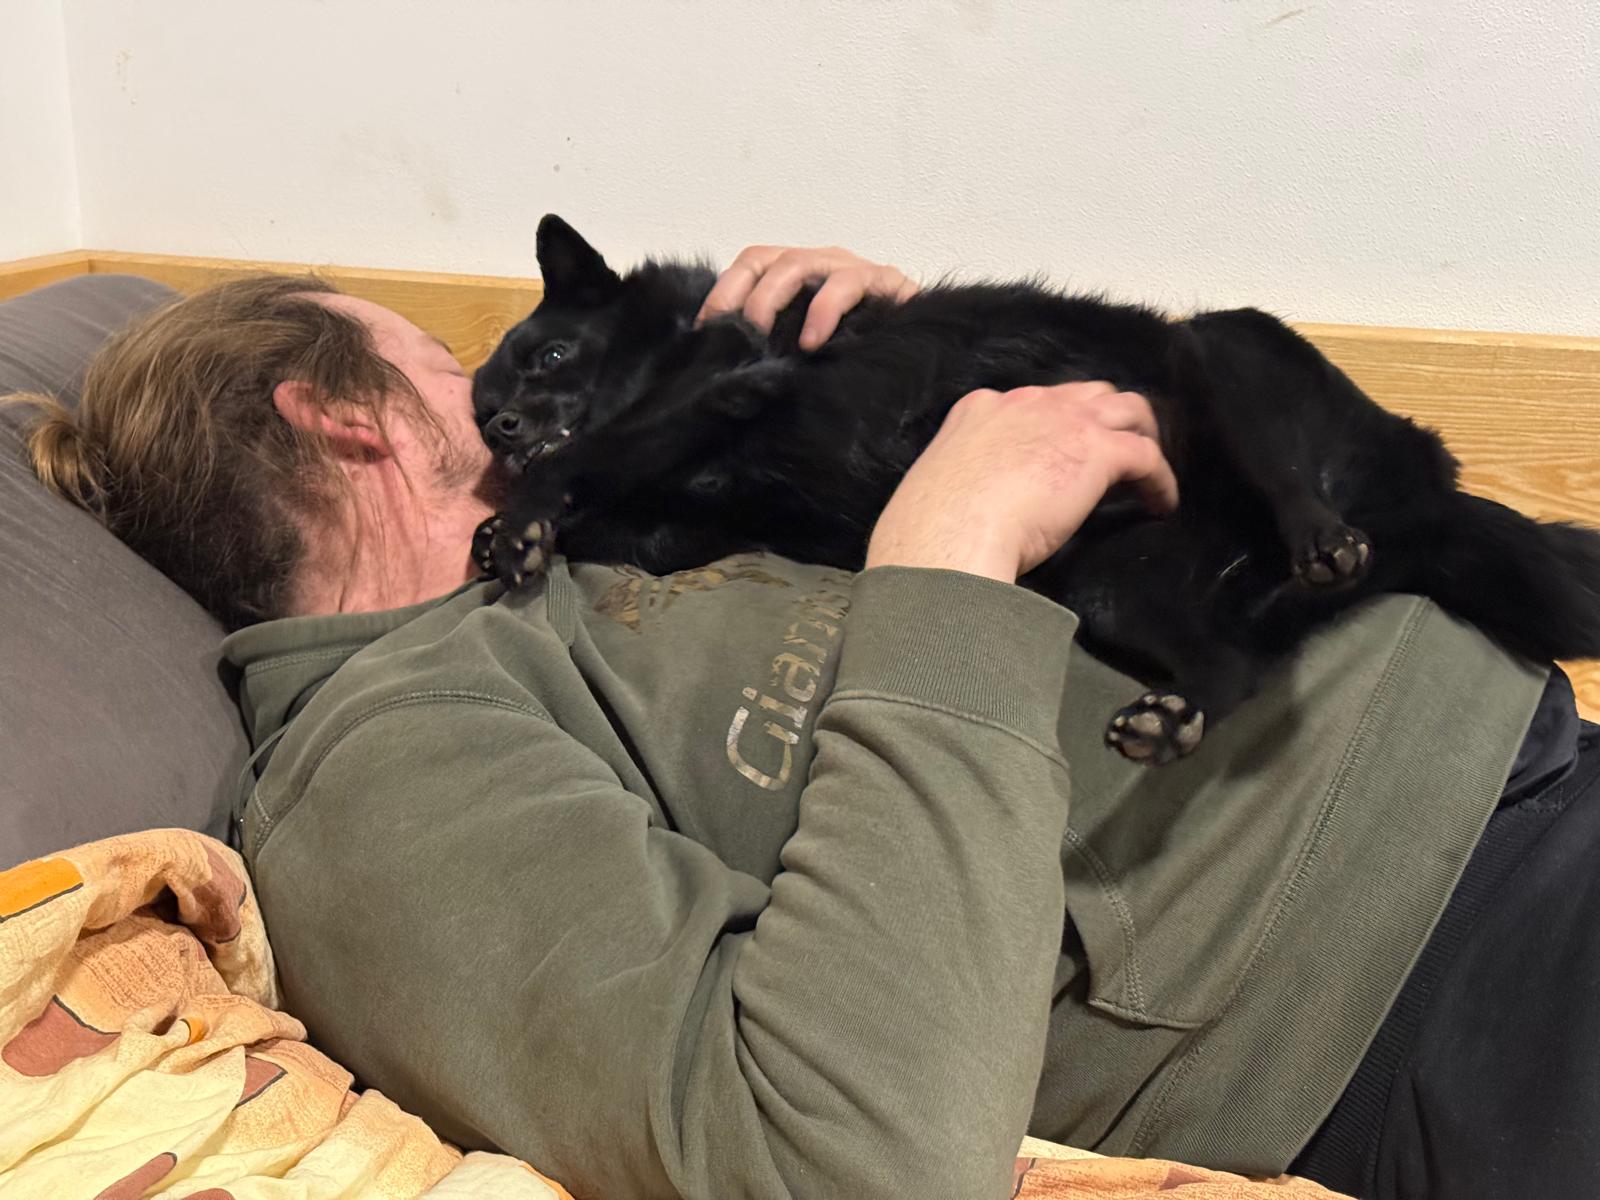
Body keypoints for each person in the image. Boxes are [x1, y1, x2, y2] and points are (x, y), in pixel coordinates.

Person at [12, 243, 1594, 1200]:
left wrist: (898, 375)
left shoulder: (597, 543)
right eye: (440, 362)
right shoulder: (378, 767)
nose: (488, 382)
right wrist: (947, 557)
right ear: (343, 420)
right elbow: (836, 1160)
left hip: (1502, 733)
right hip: (1434, 968)